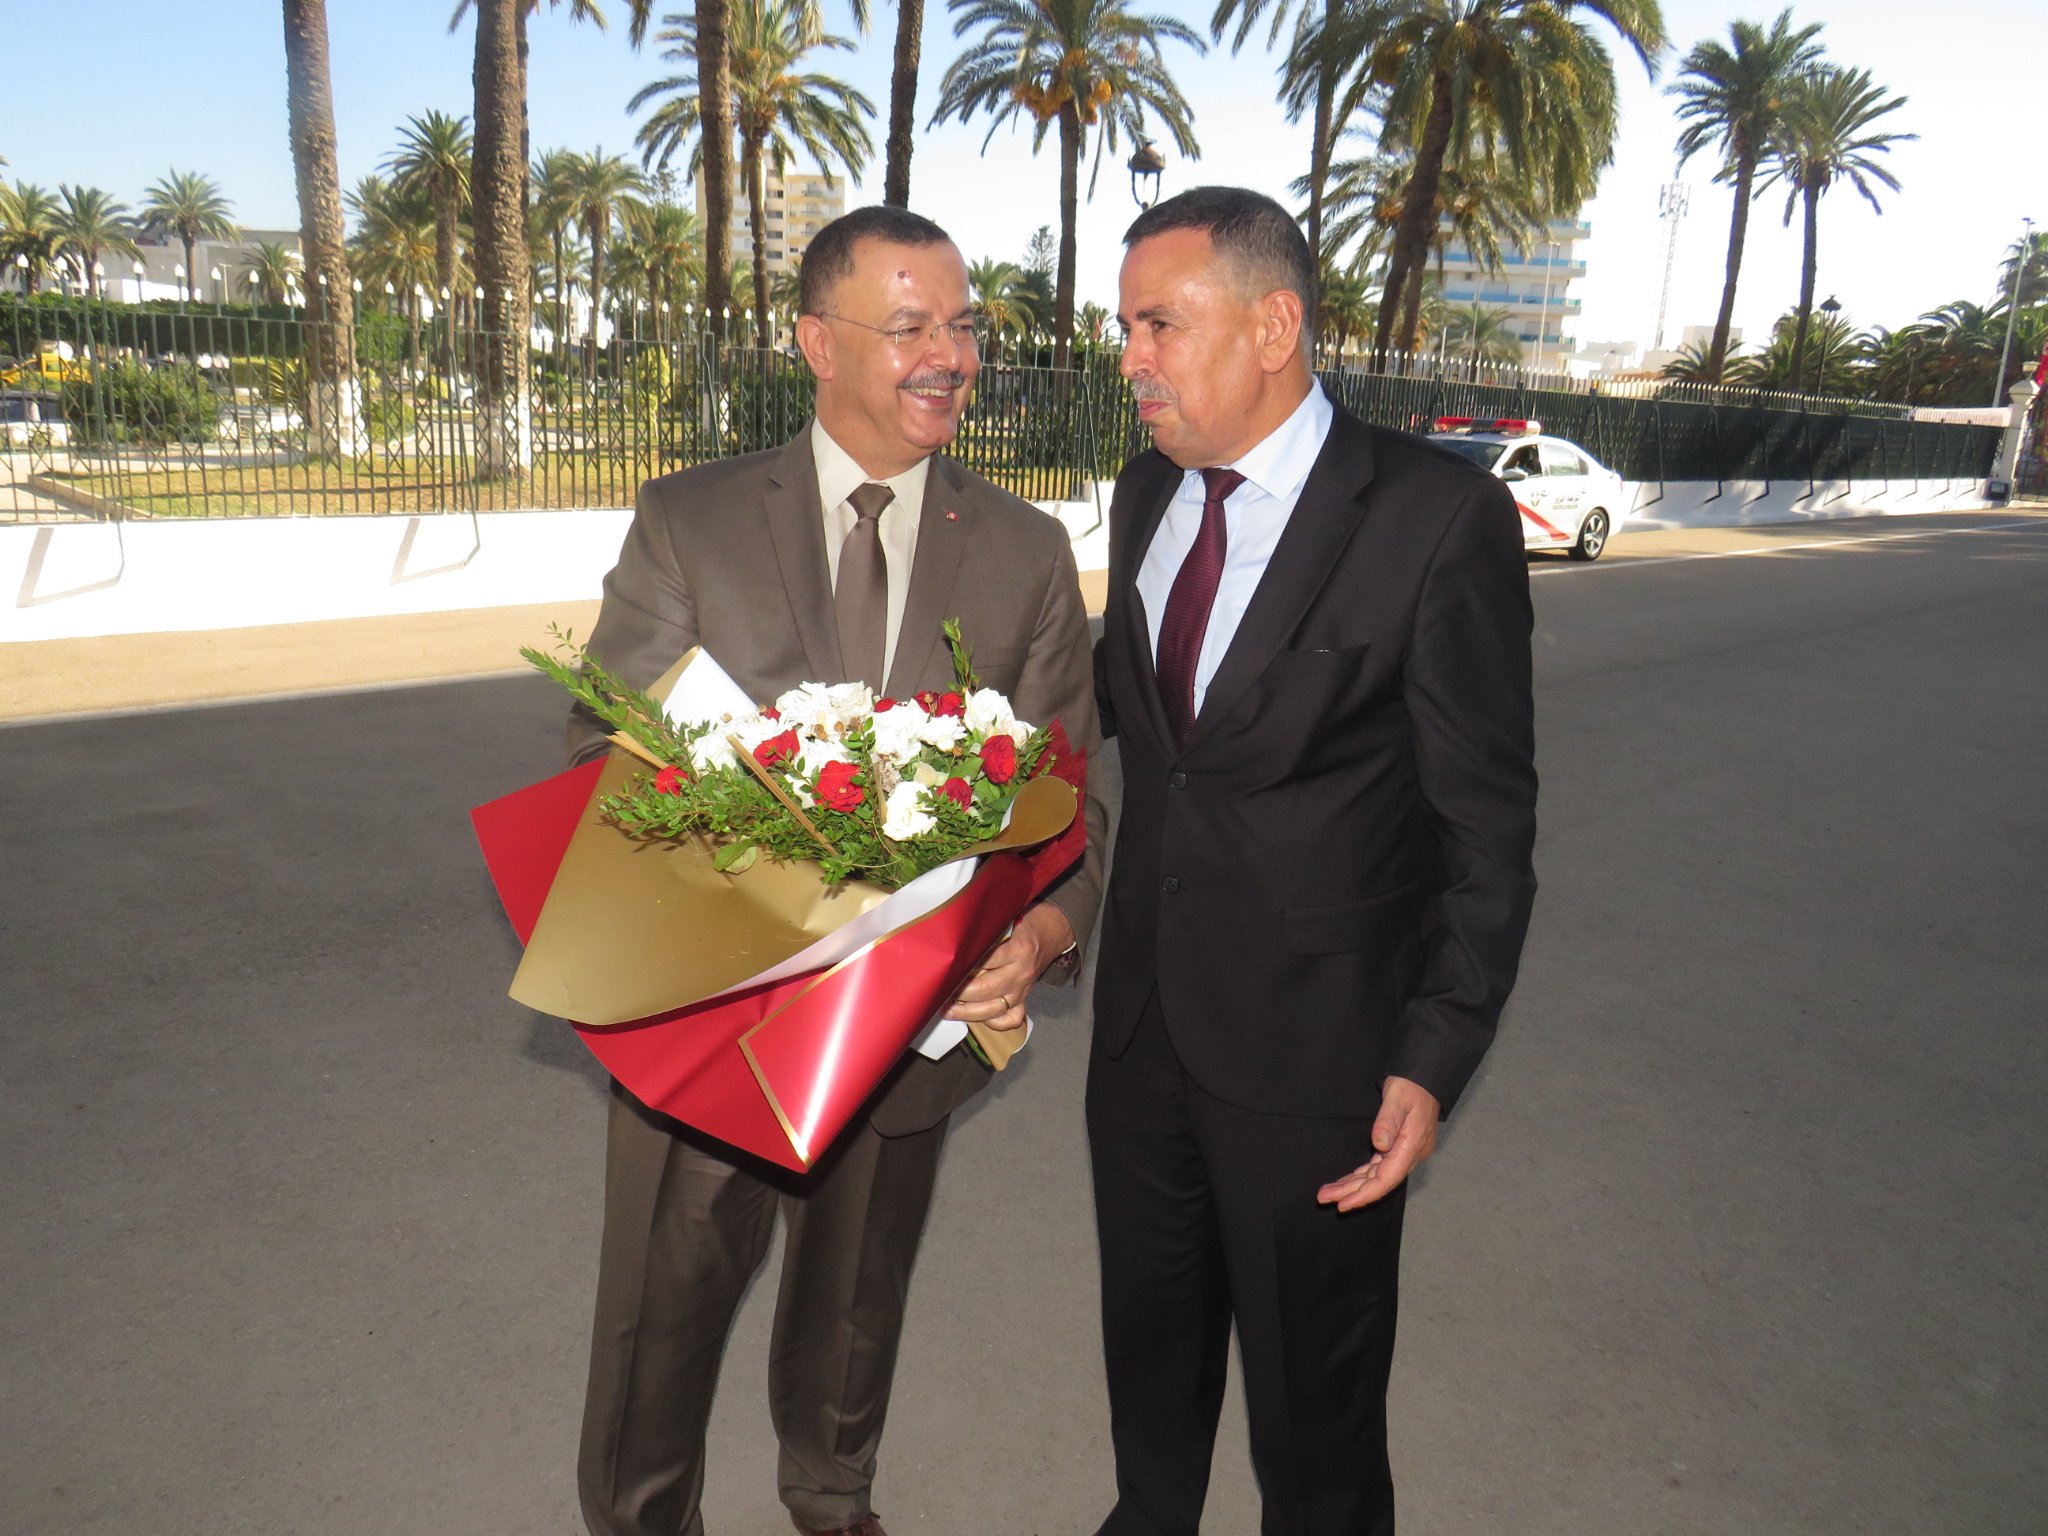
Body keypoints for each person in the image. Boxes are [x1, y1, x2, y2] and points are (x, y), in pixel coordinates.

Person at [567, 205, 1104, 1536]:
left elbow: (1073, 788)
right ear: (818, 341)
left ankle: (831, 1495)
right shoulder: (690, 521)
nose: (950, 356)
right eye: (911, 325)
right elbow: (605, 749)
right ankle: (643, 1518)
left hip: (915, 1026)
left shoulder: (1027, 550)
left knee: (857, 1300)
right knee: (664, 1306)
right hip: (718, 1014)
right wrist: (769, 887)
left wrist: (1038, 936)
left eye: (963, 326)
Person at [1087, 186, 1538, 1535]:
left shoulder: (1433, 518)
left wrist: (1435, 1050)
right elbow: (1141, 728)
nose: (1130, 359)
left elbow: (1486, 827)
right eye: (1125, 327)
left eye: (1158, 324)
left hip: (1316, 1059)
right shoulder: (1145, 492)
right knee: (1150, 1355)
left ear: (1274, 326)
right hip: (1141, 1031)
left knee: (1315, 1415)